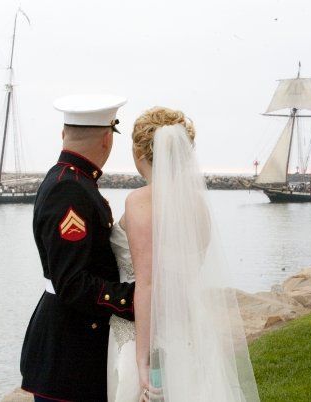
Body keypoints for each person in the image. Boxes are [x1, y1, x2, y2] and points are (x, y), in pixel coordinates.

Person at [107, 107, 260, 401]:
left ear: (139, 151)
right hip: (189, 323)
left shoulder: (139, 202)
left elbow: (147, 283)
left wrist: (143, 359)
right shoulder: (198, 205)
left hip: (141, 330)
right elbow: (190, 271)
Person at [20, 94, 136, 402]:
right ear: (107, 139)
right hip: (70, 354)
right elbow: (71, 282)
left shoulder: (72, 181)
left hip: (72, 345)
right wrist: (135, 300)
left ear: (63, 135)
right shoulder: (69, 189)